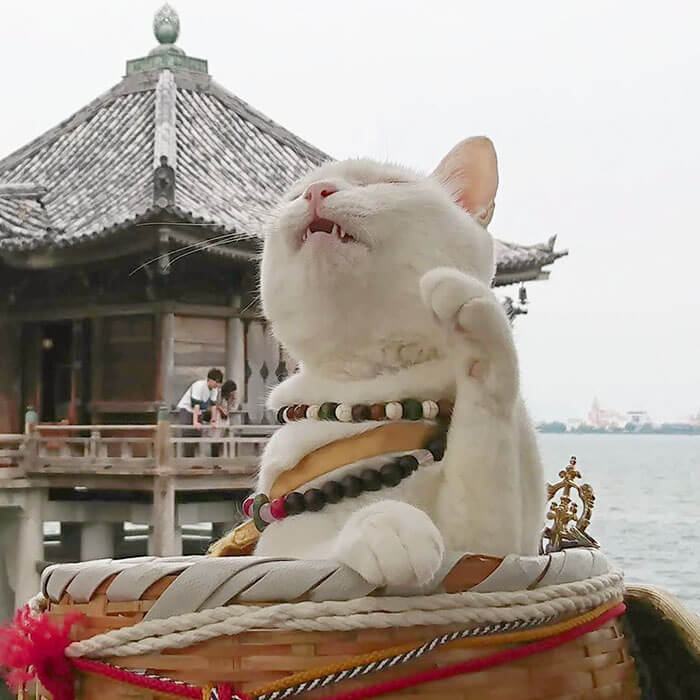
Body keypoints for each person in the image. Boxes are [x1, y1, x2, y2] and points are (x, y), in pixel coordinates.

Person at [176, 368, 223, 456]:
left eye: (219, 382)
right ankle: (187, 461)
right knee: (188, 436)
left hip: (199, 411)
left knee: (197, 436)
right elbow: (196, 405)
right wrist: (195, 422)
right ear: (209, 379)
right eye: (216, 382)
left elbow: (213, 405)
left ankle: (196, 462)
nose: (217, 384)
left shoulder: (214, 390)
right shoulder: (199, 386)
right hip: (187, 409)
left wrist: (213, 420)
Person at [211, 380, 237, 458]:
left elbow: (232, 407)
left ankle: (221, 456)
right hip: (219, 416)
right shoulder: (219, 393)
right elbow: (217, 405)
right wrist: (223, 411)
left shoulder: (230, 397)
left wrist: (232, 399)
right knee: (216, 437)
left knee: (223, 437)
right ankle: (215, 457)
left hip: (225, 417)